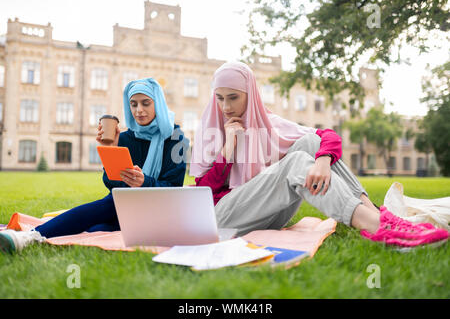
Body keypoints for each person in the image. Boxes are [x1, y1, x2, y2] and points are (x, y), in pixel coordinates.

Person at [190, 61, 448, 250]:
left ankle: (375, 214)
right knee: (295, 163)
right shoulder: (211, 128)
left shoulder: (267, 123)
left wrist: (323, 161)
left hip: (265, 214)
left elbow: (329, 136)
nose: (225, 107)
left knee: (310, 141)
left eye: (233, 98)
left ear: (251, 95)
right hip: (221, 218)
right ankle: (375, 224)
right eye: (220, 98)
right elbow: (202, 192)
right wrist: (228, 149)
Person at [0, 78, 188, 253]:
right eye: (133, 104)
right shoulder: (124, 137)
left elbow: (173, 189)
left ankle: (30, 236)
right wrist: (111, 150)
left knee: (111, 204)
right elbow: (112, 184)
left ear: (158, 103)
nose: (139, 110)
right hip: (126, 208)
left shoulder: (175, 138)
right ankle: (34, 235)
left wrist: (144, 183)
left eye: (145, 103)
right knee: (98, 225)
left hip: (160, 211)